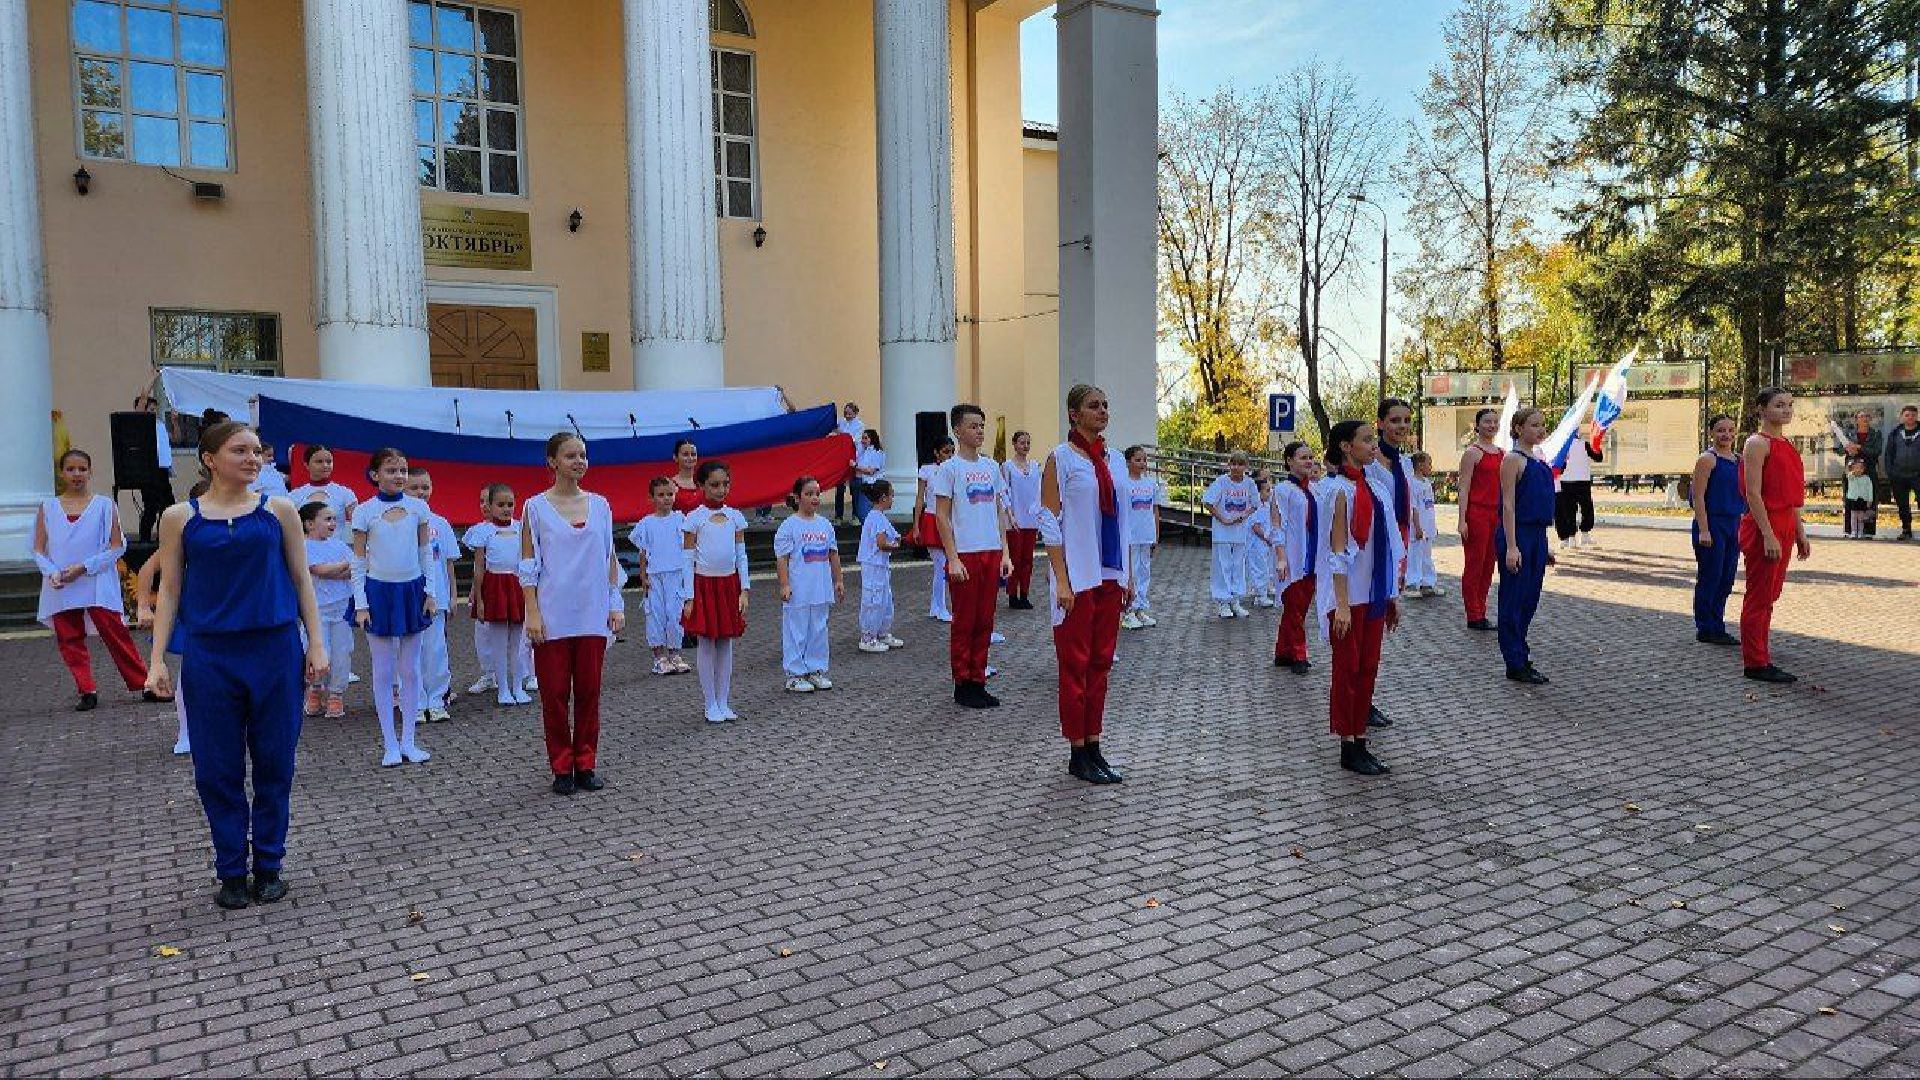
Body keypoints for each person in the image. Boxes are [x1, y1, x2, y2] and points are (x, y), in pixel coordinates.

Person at [145, 420, 329, 910]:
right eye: (240, 450)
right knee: (216, 768)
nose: (253, 459)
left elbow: (301, 580)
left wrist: (316, 643)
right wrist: (156, 660)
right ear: (210, 458)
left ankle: (269, 865)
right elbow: (170, 591)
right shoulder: (180, 517)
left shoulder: (280, 510)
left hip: (273, 650)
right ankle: (230, 871)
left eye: (257, 451)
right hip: (210, 656)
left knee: (275, 763)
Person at [520, 433, 625, 793]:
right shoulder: (534, 508)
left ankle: (586, 763)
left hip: (592, 613)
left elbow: (609, 557)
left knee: (589, 692)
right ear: (551, 462)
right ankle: (561, 767)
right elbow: (529, 564)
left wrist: (615, 603)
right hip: (552, 614)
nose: (578, 461)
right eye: (570, 456)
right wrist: (532, 612)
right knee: (553, 694)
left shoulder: (602, 505)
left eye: (582, 455)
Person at [1039, 384, 1132, 785]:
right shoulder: (1060, 459)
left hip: (1108, 575)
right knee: (1074, 666)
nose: (1103, 411)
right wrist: (1061, 579)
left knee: (1100, 664)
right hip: (1077, 578)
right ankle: (1077, 751)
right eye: (1094, 406)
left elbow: (1124, 520)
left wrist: (1126, 574)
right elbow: (1049, 521)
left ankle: (1095, 744)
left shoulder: (1114, 460)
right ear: (1073, 414)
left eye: (1106, 405)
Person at [1317, 420, 1403, 776]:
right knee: (1347, 671)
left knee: (1367, 668)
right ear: (1345, 447)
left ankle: (1361, 737)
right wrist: (1340, 604)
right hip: (1347, 599)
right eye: (1366, 441)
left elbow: (1387, 546)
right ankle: (1347, 744)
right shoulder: (1339, 490)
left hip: (1373, 593)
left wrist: (1391, 595)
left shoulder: (1377, 488)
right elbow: (1337, 550)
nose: (1373, 446)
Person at [34, 449, 150, 711]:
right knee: (69, 638)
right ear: (62, 473)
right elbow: (39, 548)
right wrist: (52, 571)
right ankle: (86, 689)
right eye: (71, 469)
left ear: (90, 471)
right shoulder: (48, 507)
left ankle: (143, 682)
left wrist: (85, 567)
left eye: (82, 469)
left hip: (95, 580)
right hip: (60, 583)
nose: (77, 474)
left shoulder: (105, 505)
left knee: (116, 633)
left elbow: (117, 546)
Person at [349, 448, 438, 768]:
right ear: (375, 475)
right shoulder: (364, 511)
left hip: (412, 592)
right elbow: (358, 562)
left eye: (402, 470)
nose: (398, 476)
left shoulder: (419, 508)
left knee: (411, 670)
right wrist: (361, 604)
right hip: (379, 594)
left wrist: (430, 593)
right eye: (391, 470)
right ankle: (389, 744)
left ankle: (410, 742)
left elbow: (426, 552)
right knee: (384, 671)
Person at [933, 404, 1013, 709]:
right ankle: (962, 683)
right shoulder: (949, 469)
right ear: (957, 430)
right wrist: (952, 558)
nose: (979, 431)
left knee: (985, 621)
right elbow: (942, 517)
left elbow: (999, 511)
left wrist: (1005, 553)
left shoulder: (992, 467)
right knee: (964, 622)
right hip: (964, 553)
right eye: (973, 426)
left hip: (991, 551)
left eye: (982, 425)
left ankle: (978, 679)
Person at [1740, 388, 1812, 684]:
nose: (1786, 410)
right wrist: (1768, 534)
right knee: (1759, 596)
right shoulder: (1757, 444)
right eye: (1779, 405)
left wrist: (1800, 533)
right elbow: (1754, 493)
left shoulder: (1788, 445)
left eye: (1789, 405)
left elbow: (1792, 498)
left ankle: (1761, 653)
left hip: (1784, 525)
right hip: (1764, 526)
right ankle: (1755, 663)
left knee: (1771, 595)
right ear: (1762, 409)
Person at [681, 460, 751, 723]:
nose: (721, 490)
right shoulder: (694, 518)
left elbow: (741, 556)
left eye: (725, 484)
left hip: (728, 586)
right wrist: (688, 596)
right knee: (707, 643)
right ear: (701, 486)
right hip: (704, 586)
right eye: (714, 485)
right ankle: (710, 703)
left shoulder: (736, 517)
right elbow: (687, 559)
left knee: (726, 643)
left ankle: (724, 700)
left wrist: (744, 589)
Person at [1496, 408, 1555, 685]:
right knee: (1514, 600)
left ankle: (1521, 652)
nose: (1540, 430)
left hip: (1537, 536)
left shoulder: (1539, 459)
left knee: (1530, 599)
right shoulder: (1512, 460)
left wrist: (1546, 546)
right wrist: (1511, 546)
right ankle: (1514, 660)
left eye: (1542, 425)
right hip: (1518, 535)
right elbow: (1508, 505)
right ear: (1518, 428)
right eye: (1534, 425)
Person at [775, 476, 845, 692]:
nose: (814, 498)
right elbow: (782, 559)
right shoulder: (789, 526)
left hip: (820, 589)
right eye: (808, 494)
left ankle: (815, 669)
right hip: (799, 591)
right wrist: (785, 584)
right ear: (797, 497)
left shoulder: (825, 524)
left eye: (817, 493)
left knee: (818, 629)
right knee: (796, 630)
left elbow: (833, 554)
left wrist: (839, 580)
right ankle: (795, 674)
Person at [466, 484, 534, 706]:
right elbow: (478, 568)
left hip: (516, 586)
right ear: (490, 506)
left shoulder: (521, 528)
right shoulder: (483, 532)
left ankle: (517, 686)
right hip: (494, 586)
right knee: (497, 642)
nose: (506, 509)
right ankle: (502, 688)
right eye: (501, 504)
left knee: (517, 641)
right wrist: (480, 598)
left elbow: (527, 561)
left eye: (510, 504)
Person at [407, 467, 459, 723]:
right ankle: (414, 702)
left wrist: (451, 595)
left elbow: (448, 563)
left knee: (436, 652)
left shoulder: (440, 523)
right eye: (414, 487)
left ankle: (437, 699)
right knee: (410, 653)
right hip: (407, 599)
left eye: (425, 487)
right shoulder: (398, 521)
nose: (420, 492)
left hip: (436, 599)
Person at [1688, 415, 1744, 647]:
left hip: (1734, 524)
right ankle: (1706, 627)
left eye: (1731, 430)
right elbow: (1698, 496)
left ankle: (1717, 624)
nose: (1727, 435)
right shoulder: (1707, 460)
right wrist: (1704, 529)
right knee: (1710, 576)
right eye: (1721, 430)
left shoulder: (1739, 460)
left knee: (1726, 577)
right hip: (1711, 524)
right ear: (1711, 433)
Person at [632, 477, 691, 677]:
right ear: (652, 498)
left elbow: (689, 548)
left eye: (670, 494)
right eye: (661, 495)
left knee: (675, 614)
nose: (666, 499)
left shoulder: (680, 519)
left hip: (676, 574)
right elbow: (643, 553)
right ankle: (659, 657)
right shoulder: (646, 524)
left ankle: (675, 654)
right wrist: (643, 577)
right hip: (655, 576)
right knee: (655, 615)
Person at [299, 502, 354, 720]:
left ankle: (336, 694)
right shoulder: (303, 547)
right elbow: (318, 570)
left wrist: (334, 570)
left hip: (341, 610)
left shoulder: (340, 545)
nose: (333, 523)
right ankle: (315, 689)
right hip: (316, 611)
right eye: (327, 519)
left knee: (342, 653)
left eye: (333, 519)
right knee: (318, 652)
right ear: (310, 524)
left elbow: (356, 568)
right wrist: (340, 567)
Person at [1456, 407, 1505, 630]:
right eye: (1487, 421)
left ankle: (1481, 610)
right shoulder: (1473, 453)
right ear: (1477, 425)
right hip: (1476, 514)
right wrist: (1462, 520)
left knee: (1488, 566)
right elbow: (1463, 488)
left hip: (1496, 515)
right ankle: (1472, 614)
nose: (1491, 426)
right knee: (1475, 565)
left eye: (1495, 422)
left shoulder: (1502, 453)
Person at [1273, 441, 1318, 673]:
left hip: (1312, 557)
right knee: (1295, 607)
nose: (1308, 461)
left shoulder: (1314, 489)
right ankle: (1299, 654)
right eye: (1303, 457)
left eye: (1310, 457)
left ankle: (1283, 651)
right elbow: (1276, 525)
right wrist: (1281, 556)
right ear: (1289, 461)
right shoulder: (1282, 490)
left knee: (1298, 608)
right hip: (1292, 557)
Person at [1202, 452, 1258, 618]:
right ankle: (1223, 602)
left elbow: (1254, 504)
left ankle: (1235, 600)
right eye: (1233, 464)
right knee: (1223, 566)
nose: (1236, 467)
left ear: (1246, 467)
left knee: (1237, 566)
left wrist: (1243, 516)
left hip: (1240, 533)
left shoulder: (1249, 484)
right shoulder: (1221, 482)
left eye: (1240, 464)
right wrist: (1223, 519)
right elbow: (1208, 502)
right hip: (1222, 533)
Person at [1371, 399, 1421, 570]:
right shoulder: (1369, 462)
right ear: (1380, 423)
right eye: (1395, 420)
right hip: (1374, 538)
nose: (1402, 426)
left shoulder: (1405, 463)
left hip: (1401, 536)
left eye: (1407, 420)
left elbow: (1409, 502)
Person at [910, 438, 956, 622]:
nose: (950, 455)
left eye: (952, 451)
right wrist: (916, 525)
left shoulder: (954, 469)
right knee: (941, 565)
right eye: (946, 451)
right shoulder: (927, 470)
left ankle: (936, 606)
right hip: (931, 519)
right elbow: (920, 498)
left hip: (949, 520)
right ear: (937, 453)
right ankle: (940, 607)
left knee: (943, 565)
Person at [857, 479, 904, 653]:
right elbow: (882, 543)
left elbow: (893, 535)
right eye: (891, 495)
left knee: (885, 599)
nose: (893, 498)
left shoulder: (880, 517)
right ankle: (868, 637)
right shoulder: (875, 518)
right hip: (873, 565)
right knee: (873, 600)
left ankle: (882, 632)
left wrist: (897, 539)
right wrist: (895, 545)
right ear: (883, 497)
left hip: (881, 565)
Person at [1120, 446, 1163, 630]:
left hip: (1146, 534)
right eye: (1138, 460)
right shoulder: (1124, 484)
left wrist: (1156, 535)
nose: (1142, 463)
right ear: (1128, 462)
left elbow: (1155, 510)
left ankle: (1140, 608)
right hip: (1130, 536)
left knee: (1144, 572)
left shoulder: (1151, 484)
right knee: (1131, 572)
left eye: (1144, 460)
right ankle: (1127, 610)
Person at [1003, 431, 1043, 610]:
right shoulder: (1008, 467)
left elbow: (1039, 492)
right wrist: (1010, 515)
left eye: (1028, 442)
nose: (1025, 446)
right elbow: (1004, 492)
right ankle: (1012, 594)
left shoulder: (1035, 466)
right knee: (1015, 559)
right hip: (1015, 519)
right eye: (1021, 442)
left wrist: (1040, 515)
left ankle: (1024, 594)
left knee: (1028, 559)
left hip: (1031, 519)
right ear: (1014, 444)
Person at [1555, 425, 1605, 552]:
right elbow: (1599, 458)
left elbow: (1598, 458)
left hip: (1579, 480)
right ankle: (1573, 537)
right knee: (1574, 509)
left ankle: (1581, 535)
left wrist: (1597, 444)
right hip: (1570, 481)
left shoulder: (1584, 444)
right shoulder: (1562, 446)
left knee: (1580, 508)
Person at [289, 445, 359, 524]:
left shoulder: (346, 494)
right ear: (306, 465)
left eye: (329, 462)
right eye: (319, 461)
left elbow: (357, 526)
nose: (325, 465)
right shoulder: (294, 496)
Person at [1406, 452, 1443, 597]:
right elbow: (1414, 507)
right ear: (1420, 465)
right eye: (1429, 463)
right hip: (1418, 527)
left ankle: (1428, 583)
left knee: (1427, 556)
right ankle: (1412, 584)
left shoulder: (1426, 483)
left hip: (1428, 526)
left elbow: (1429, 506)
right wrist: (1418, 527)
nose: (1431, 466)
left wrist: (1432, 526)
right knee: (1415, 555)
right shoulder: (1412, 483)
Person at [1245, 471, 1281, 609]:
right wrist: (1266, 538)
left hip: (1263, 544)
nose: (1269, 493)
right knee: (1259, 569)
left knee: (1264, 568)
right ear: (1258, 493)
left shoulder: (1266, 505)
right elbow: (1255, 526)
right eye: (1267, 491)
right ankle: (1261, 596)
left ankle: (1262, 592)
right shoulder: (1257, 507)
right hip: (1257, 544)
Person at [1887, 403, 1919, 540]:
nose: (1910, 418)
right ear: (1902, 417)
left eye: (1913, 415)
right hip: (1899, 476)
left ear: (1917, 416)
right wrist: (1891, 472)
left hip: (1918, 475)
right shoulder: (1895, 433)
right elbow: (1889, 454)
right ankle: (1906, 530)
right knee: (1903, 505)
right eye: (1907, 415)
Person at [834, 402, 866, 523]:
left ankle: (855, 515)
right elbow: (833, 429)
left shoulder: (860, 425)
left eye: (849, 413)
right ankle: (838, 516)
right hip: (841, 459)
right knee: (840, 488)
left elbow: (852, 439)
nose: (847, 415)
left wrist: (839, 434)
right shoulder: (841, 422)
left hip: (854, 459)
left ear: (855, 413)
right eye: (845, 413)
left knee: (854, 488)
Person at [1832, 408, 1883, 477]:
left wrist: (1859, 447)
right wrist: (1847, 449)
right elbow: (1839, 451)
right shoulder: (1849, 433)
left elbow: (1877, 451)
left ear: (1870, 419)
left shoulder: (1876, 434)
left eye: (1867, 416)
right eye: (1861, 416)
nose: (1865, 418)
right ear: (1856, 420)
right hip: (1852, 470)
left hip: (1869, 470)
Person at [852, 429, 887, 525]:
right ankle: (873, 532)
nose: (863, 440)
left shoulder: (877, 452)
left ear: (872, 439)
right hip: (865, 484)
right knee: (865, 512)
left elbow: (871, 471)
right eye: (862, 438)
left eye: (865, 438)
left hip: (873, 486)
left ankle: (874, 531)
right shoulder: (864, 451)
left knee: (863, 512)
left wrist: (855, 466)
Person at [668, 438, 704, 515]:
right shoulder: (669, 485)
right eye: (685, 454)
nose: (690, 458)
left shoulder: (705, 480)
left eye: (693, 454)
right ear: (675, 457)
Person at [1843, 457, 1877, 539]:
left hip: (1862, 500)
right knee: (1853, 516)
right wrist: (1850, 465)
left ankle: (1860, 532)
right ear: (1853, 469)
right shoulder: (1851, 477)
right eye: (1856, 468)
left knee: (1861, 517)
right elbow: (1847, 472)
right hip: (1853, 499)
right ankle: (1854, 531)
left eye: (1860, 468)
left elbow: (1870, 490)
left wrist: (1870, 500)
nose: (1858, 470)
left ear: (1864, 469)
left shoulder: (1867, 479)